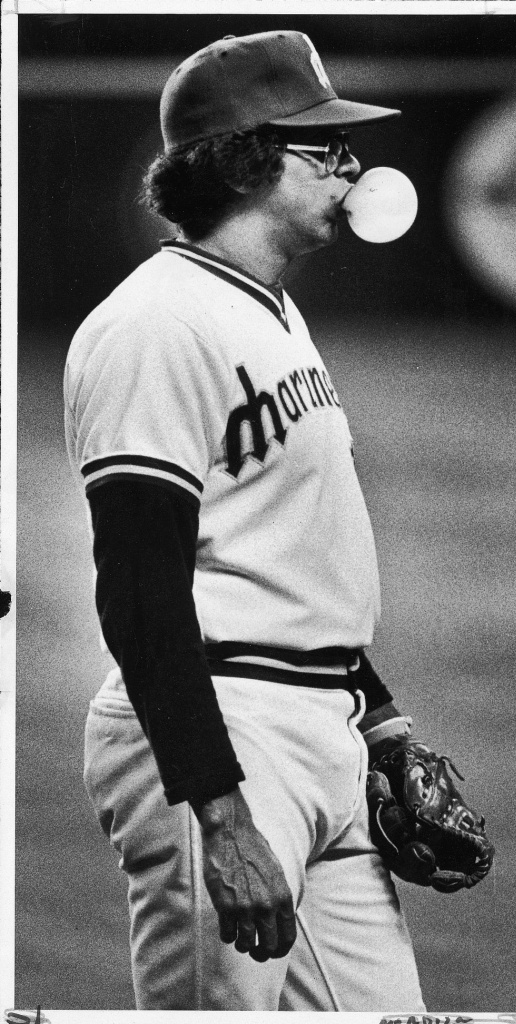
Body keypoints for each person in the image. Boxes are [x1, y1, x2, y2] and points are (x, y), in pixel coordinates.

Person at [64, 29, 425, 1011]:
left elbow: (296, 549)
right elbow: (137, 592)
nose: (351, 164)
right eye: (324, 144)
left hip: (320, 726)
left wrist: (383, 724)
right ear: (243, 158)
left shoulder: (269, 312)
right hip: (222, 736)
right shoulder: (154, 328)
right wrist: (219, 817)